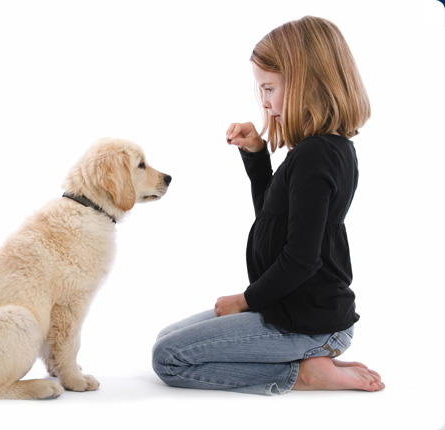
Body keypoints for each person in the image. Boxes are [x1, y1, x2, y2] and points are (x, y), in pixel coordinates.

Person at [152, 16, 384, 394]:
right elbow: (271, 221)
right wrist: (257, 156)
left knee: (169, 358)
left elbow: (301, 259)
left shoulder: (315, 155)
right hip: (291, 312)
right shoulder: (321, 151)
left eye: (269, 88)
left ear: (309, 82)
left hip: (304, 321)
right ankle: (315, 357)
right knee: (168, 337)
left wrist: (244, 301)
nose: (264, 101)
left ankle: (304, 372)